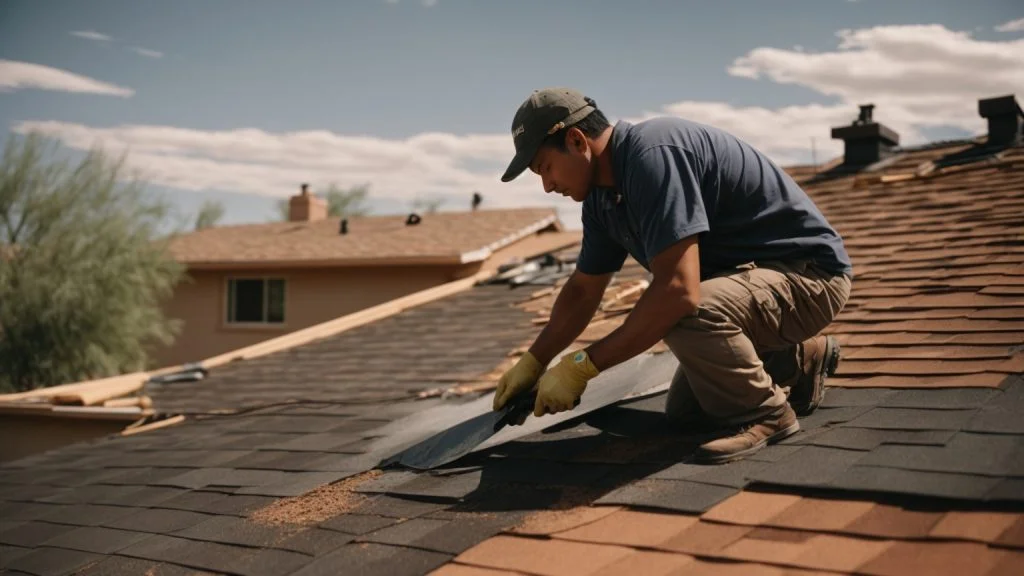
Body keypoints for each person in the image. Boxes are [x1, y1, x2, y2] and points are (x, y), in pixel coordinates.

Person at [492, 87, 853, 464]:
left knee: (681, 312)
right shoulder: (600, 198)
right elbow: (583, 290)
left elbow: (678, 291)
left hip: (810, 276)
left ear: (576, 139)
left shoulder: (653, 156)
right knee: (688, 414)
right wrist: (535, 360)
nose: (547, 186)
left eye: (544, 168)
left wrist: (583, 366)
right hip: (754, 285)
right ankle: (801, 360)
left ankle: (768, 415)